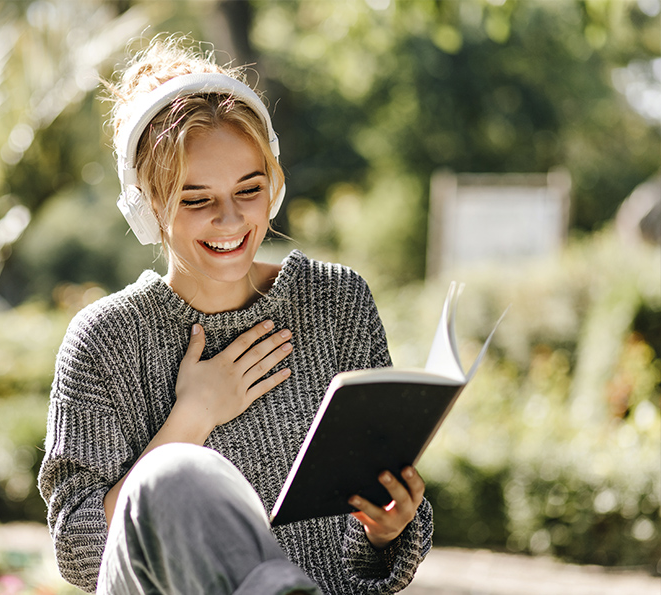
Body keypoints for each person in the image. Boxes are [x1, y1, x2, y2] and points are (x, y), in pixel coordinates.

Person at [38, 36, 433, 595]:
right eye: (196, 199)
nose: (230, 220)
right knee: (170, 475)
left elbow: (374, 545)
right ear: (147, 206)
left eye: (249, 190)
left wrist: (386, 529)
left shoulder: (337, 303)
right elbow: (80, 553)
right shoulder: (104, 341)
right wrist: (192, 417)